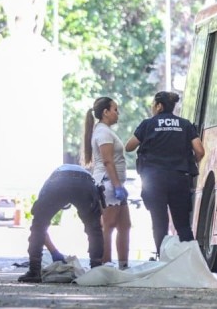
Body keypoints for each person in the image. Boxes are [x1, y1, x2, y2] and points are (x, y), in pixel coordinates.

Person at [125, 91, 205, 256]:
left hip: (154, 181)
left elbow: (129, 146)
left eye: (153, 105)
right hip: (179, 179)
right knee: (182, 224)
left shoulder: (148, 124)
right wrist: (189, 161)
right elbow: (200, 150)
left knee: (159, 222)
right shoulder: (185, 124)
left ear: (159, 106)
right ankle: (190, 261)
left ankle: (163, 259)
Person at [18, 164, 104, 283]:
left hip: (59, 181)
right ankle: (96, 271)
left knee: (39, 224)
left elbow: (39, 227)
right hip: (85, 183)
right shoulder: (87, 177)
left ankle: (34, 271)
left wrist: (54, 252)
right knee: (94, 229)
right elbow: (99, 225)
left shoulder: (48, 184)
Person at [82, 97, 131, 269]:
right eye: (115, 109)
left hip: (115, 184)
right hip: (108, 184)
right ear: (105, 112)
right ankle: (105, 265)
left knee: (125, 225)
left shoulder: (105, 131)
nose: (117, 113)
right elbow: (107, 161)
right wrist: (117, 185)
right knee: (108, 225)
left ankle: (123, 265)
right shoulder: (103, 133)